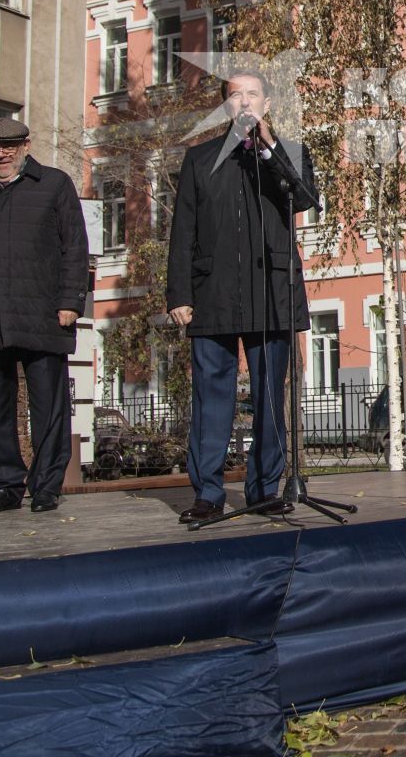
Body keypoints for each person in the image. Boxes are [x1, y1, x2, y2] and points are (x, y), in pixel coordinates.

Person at [166, 70, 319, 525]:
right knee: (212, 397)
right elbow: (183, 232)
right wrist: (179, 292)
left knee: (271, 396)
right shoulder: (199, 159)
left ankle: (264, 489)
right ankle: (208, 494)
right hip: (212, 292)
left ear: (267, 105)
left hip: (271, 291)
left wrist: (268, 145)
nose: (245, 102)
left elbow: (305, 197)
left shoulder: (288, 154)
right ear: (225, 106)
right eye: (236, 96)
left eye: (253, 95)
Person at [0, 118, 89, 515]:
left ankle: (47, 486)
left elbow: (75, 247)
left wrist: (71, 302)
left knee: (48, 405)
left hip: (44, 312)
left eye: (9, 147)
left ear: (26, 146)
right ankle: (5, 486)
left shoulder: (54, 184)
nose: (0, 154)